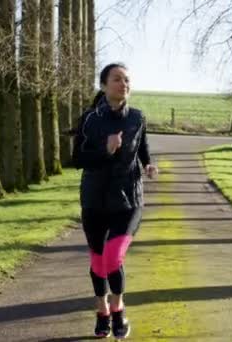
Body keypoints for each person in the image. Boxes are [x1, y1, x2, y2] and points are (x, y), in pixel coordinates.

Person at [72, 63, 159, 339]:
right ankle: (102, 311)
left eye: (127, 80)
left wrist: (148, 165)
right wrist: (105, 150)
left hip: (128, 199)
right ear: (104, 85)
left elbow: (142, 148)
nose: (124, 84)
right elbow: (77, 160)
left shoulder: (137, 117)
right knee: (98, 262)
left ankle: (118, 307)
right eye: (117, 79)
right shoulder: (90, 119)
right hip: (95, 199)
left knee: (113, 257)